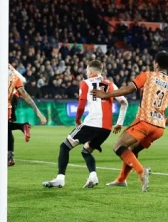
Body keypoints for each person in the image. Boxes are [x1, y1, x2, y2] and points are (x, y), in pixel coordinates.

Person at [92, 52, 168, 192]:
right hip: (159, 128)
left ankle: (141, 172)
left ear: (156, 64)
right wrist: (164, 122)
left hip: (145, 120)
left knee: (118, 146)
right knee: (133, 150)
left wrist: (106, 95)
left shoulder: (148, 75)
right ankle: (121, 180)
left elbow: (128, 89)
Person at [43, 60, 128, 189]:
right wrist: (119, 123)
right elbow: (124, 102)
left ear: (90, 71)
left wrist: (78, 120)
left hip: (91, 123)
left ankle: (60, 178)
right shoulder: (111, 84)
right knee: (86, 151)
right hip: (106, 128)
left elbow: (81, 103)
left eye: (87, 70)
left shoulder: (86, 83)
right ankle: (93, 176)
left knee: (64, 147)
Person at [0, 58, 47, 156]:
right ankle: (8, 154)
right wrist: (38, 112)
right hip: (8, 107)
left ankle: (5, 154)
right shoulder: (14, 76)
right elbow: (24, 94)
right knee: (2, 130)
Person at [0, 48, 31, 166]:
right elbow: (23, 79)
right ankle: (8, 155)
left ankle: (5, 154)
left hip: (5, 99)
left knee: (2, 127)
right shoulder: (8, 65)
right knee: (5, 127)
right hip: (12, 96)